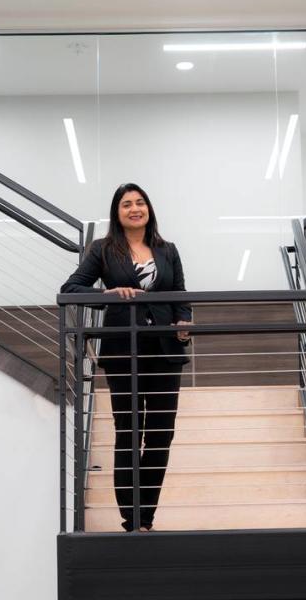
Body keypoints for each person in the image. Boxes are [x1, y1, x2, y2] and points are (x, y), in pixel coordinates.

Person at [61, 183, 192, 532]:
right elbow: (71, 288)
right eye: (126, 205)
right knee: (130, 432)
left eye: (140, 203)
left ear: (149, 208)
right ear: (117, 213)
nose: (135, 208)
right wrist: (108, 294)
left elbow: (180, 293)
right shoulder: (103, 250)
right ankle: (132, 520)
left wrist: (184, 321)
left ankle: (146, 516)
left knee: (161, 434)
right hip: (123, 351)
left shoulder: (168, 250)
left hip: (165, 350)